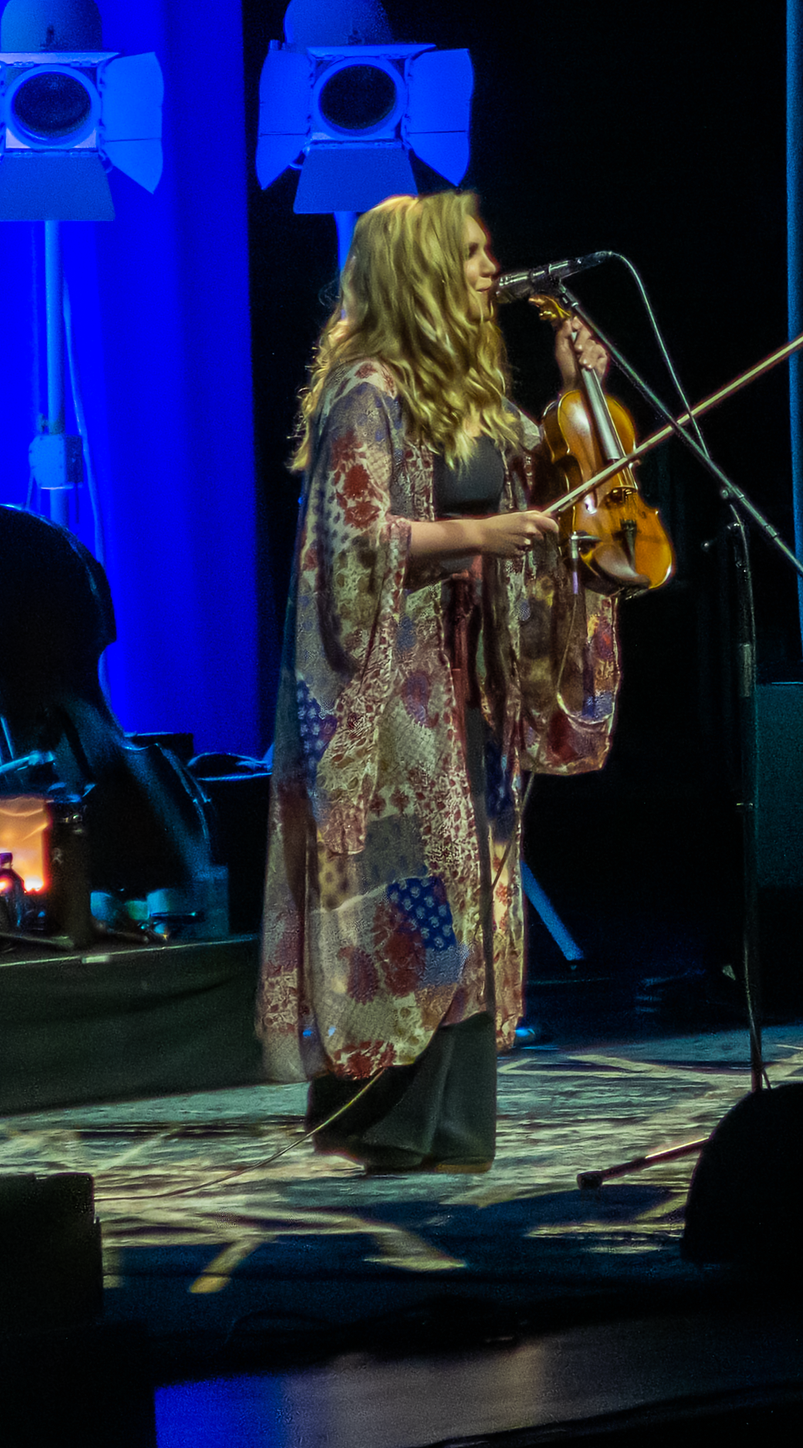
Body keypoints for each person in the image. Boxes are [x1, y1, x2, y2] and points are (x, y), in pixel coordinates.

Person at [258, 191, 619, 1172]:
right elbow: (352, 540)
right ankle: (385, 1113)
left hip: (467, 681)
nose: (489, 268)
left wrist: (575, 392)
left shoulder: (469, 391)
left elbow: (542, 486)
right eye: (467, 255)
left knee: (472, 888)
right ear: (416, 271)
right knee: (412, 892)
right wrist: (479, 536)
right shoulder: (368, 390)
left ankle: (446, 1122)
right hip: (387, 694)